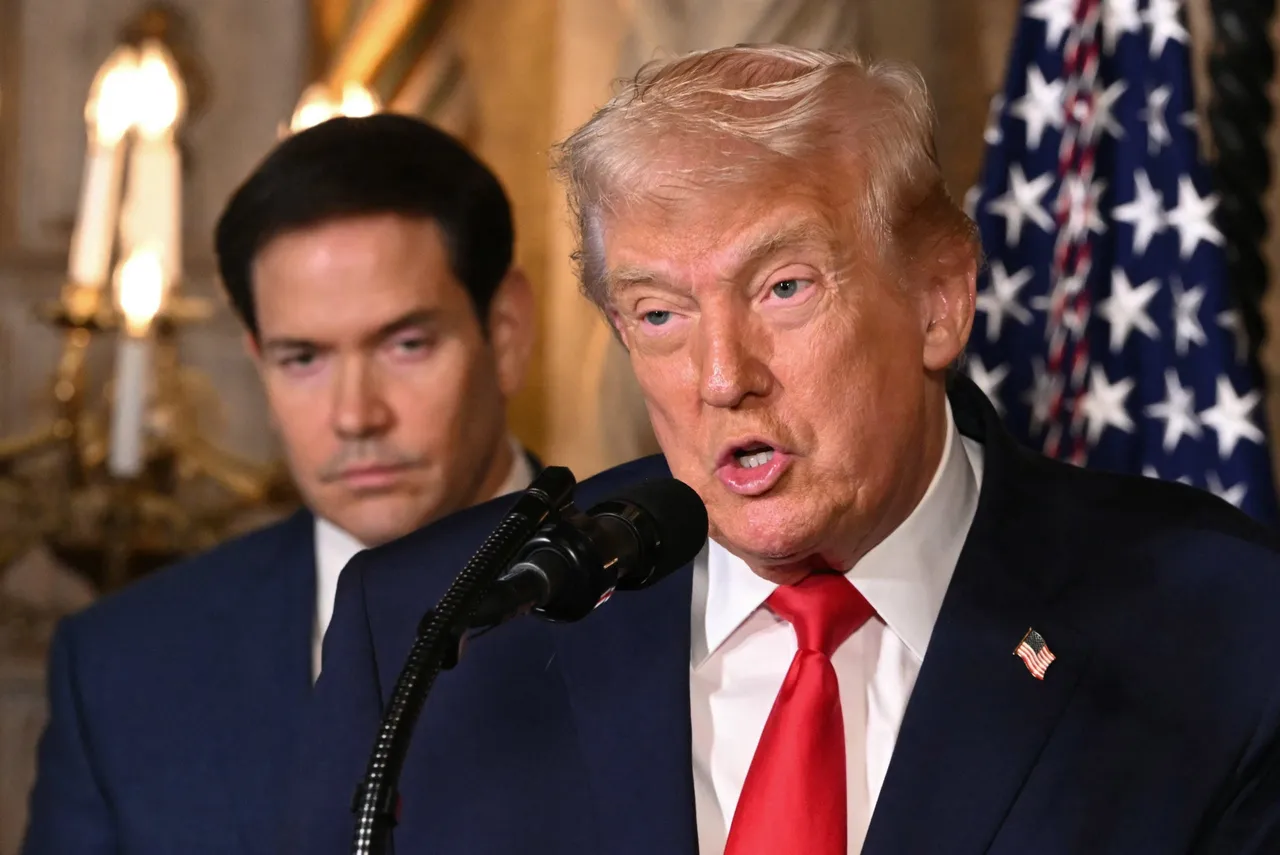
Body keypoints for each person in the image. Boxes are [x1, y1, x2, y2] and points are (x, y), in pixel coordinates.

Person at [284, 47, 1280, 855]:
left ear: (938, 299)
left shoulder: (1218, 626)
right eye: (659, 313)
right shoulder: (439, 634)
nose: (723, 377)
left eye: (783, 289)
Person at [21, 113, 539, 855]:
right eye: (303, 359)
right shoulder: (120, 664)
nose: (355, 414)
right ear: (258, 359)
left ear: (507, 332)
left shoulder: (671, 606)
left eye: (406, 344)